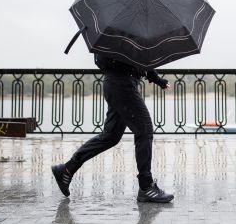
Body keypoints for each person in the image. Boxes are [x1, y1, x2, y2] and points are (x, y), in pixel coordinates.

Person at [51, 53, 174, 203]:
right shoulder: (122, 36)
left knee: (111, 137)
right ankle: (146, 187)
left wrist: (157, 79)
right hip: (122, 85)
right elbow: (137, 57)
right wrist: (156, 78)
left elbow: (140, 57)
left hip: (118, 84)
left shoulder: (119, 37)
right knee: (145, 130)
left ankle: (66, 169)